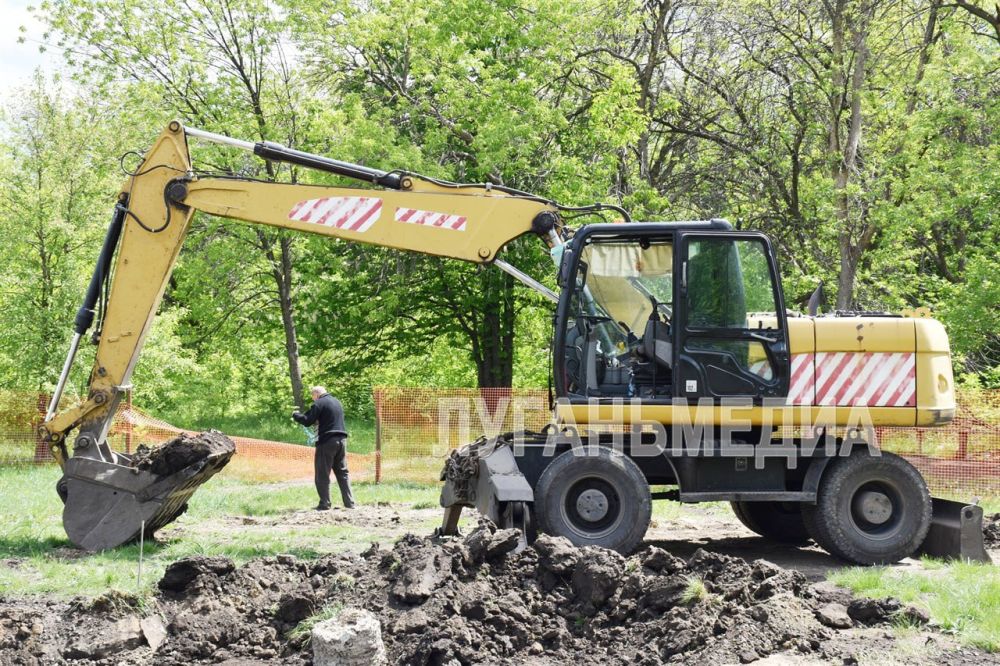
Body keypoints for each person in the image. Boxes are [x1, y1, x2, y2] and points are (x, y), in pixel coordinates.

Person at [292, 386, 355, 510]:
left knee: (322, 474)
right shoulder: (337, 402)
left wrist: (296, 415)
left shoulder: (319, 403)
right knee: (343, 472)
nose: (313, 399)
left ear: (316, 394)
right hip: (341, 440)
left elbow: (307, 420)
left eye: (312, 396)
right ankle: (350, 503)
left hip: (326, 441)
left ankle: (324, 504)